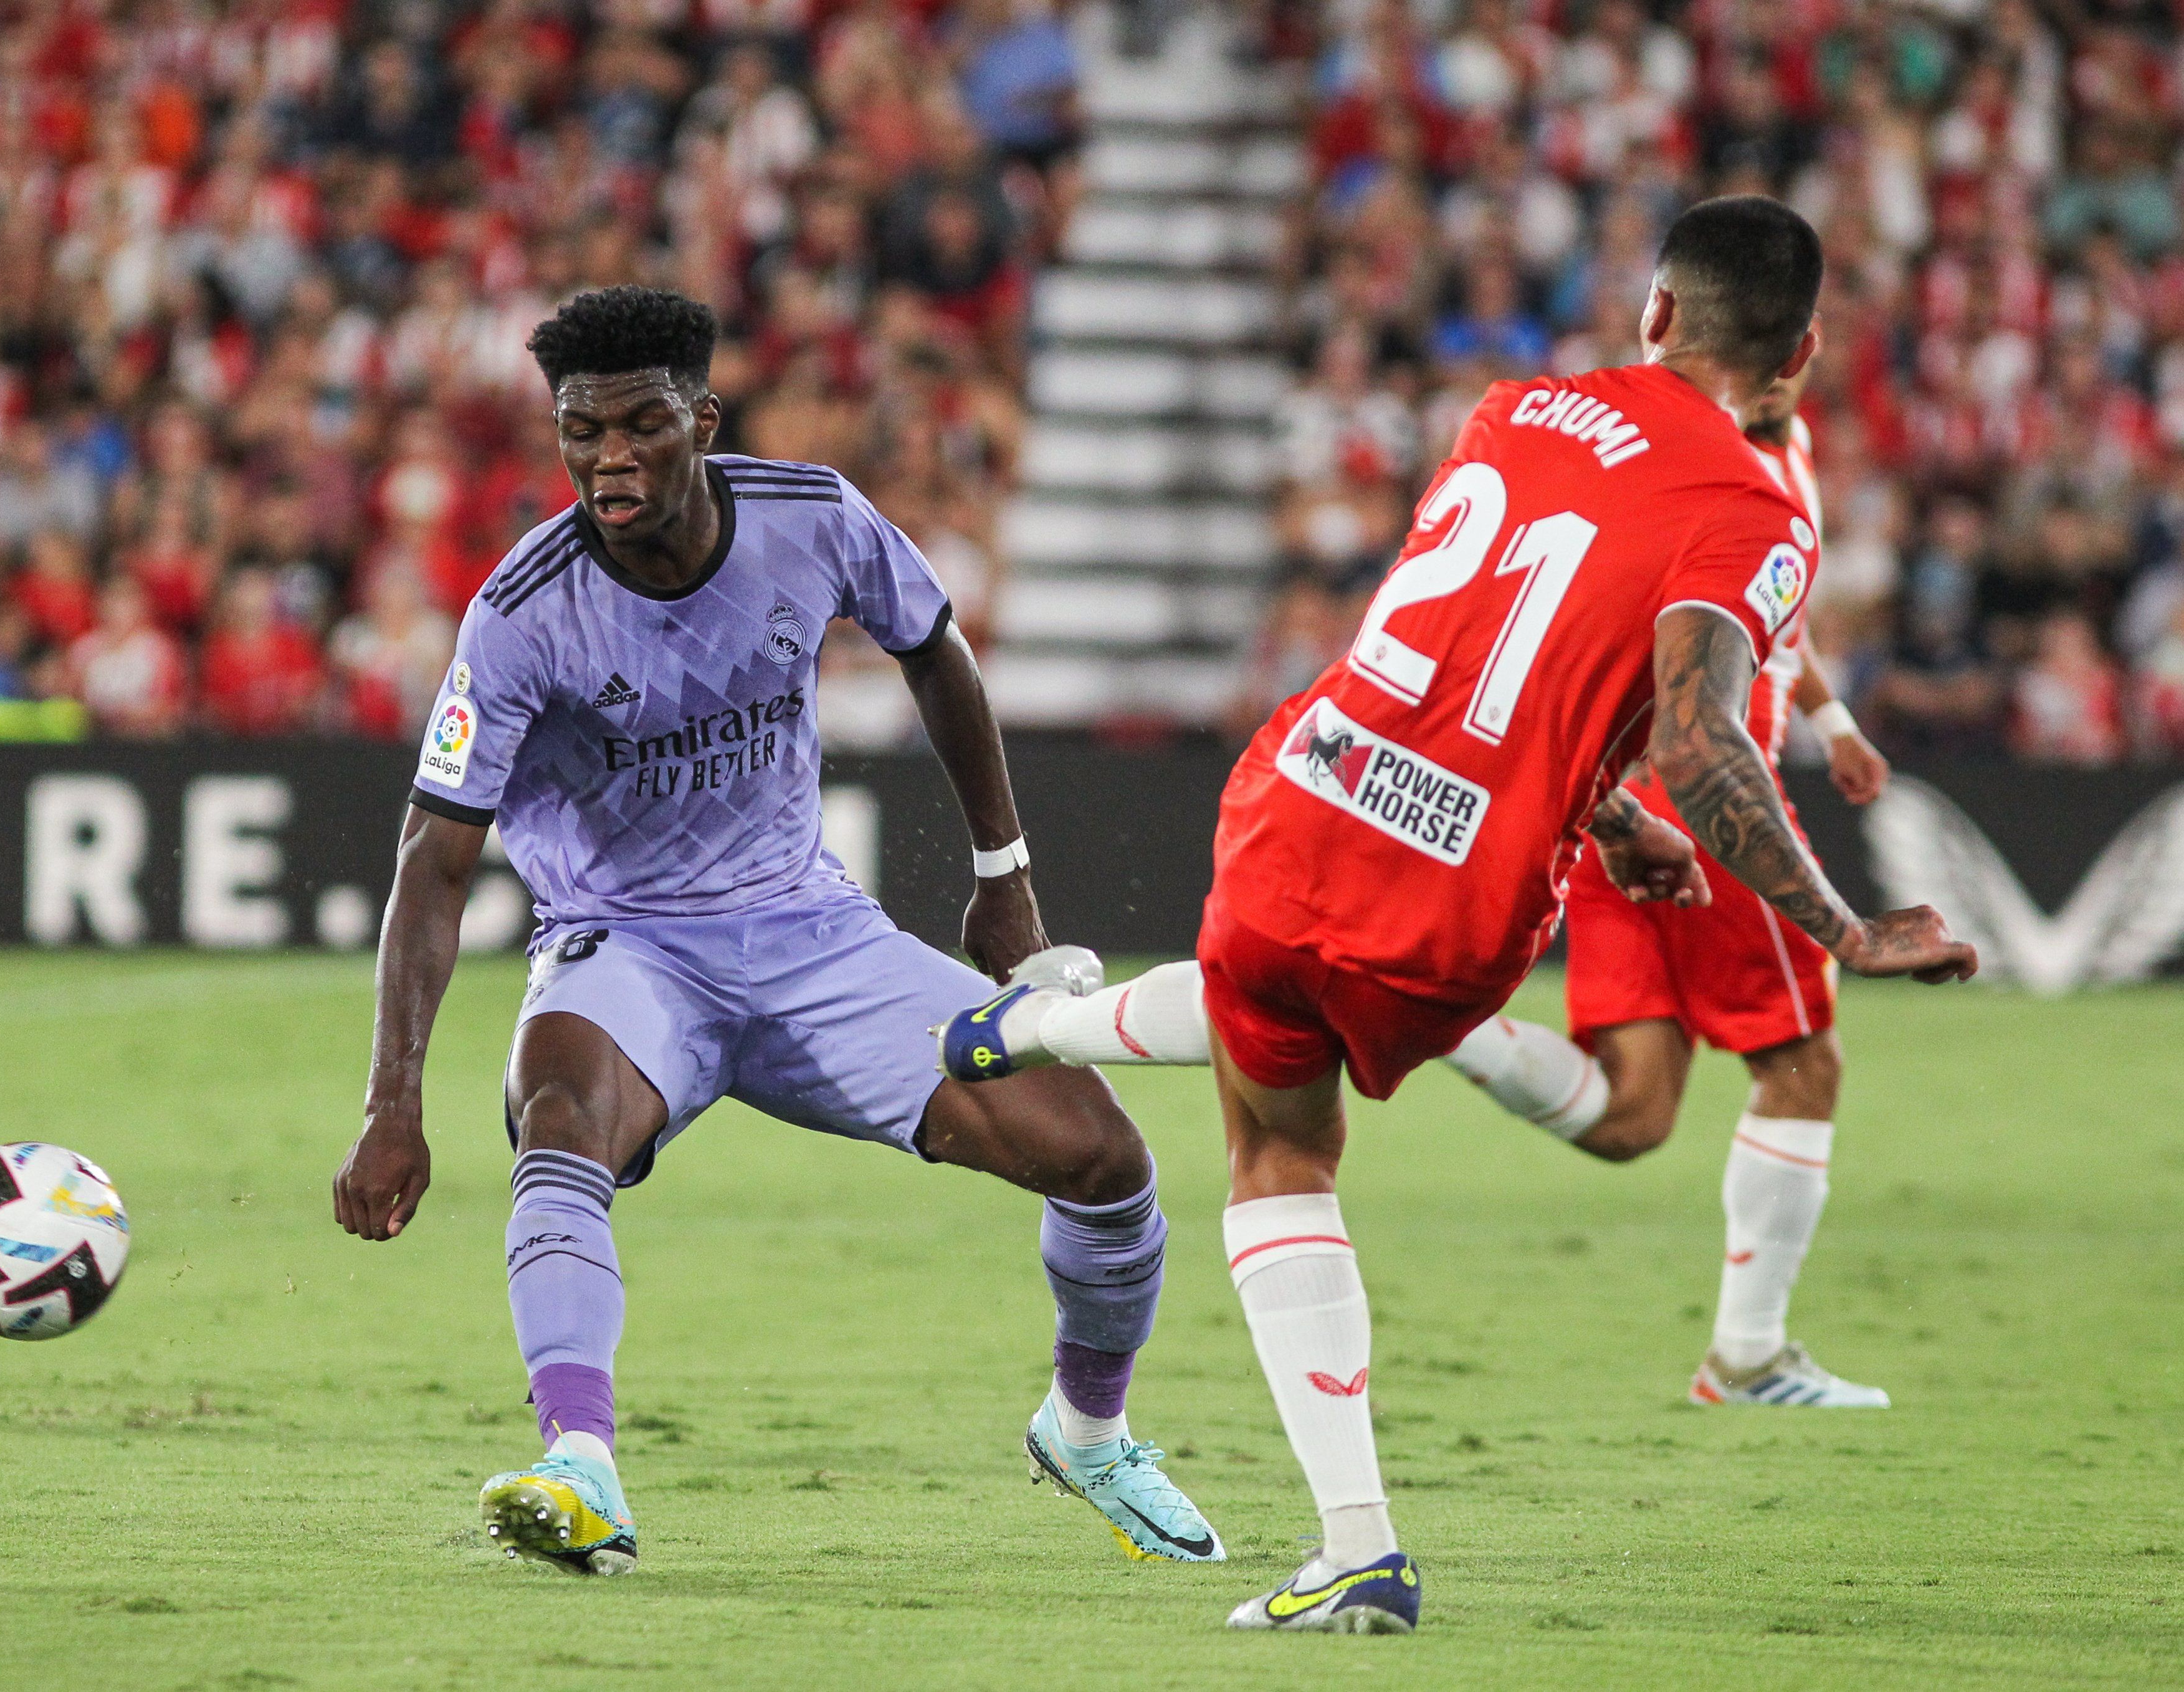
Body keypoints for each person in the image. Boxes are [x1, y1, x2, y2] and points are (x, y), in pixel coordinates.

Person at [939, 199, 1976, 1632]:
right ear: (1799, 355)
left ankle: (1036, 1026)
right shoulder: (1756, 509)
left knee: (1269, 1105)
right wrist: (1840, 922)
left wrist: (1605, 806)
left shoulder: (1519, 405)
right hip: (1454, 893)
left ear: (1657, 313)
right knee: (1295, 1129)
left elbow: (1487, 642)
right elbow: (1699, 736)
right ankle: (1040, 1033)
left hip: (1309, 786)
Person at [328, 285, 1217, 1578]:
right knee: (557, 1113)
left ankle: (1086, 1428)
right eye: (581, 432)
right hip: (625, 946)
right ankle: (579, 1462)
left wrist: (1002, 872)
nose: (609, 458)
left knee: (1106, 1163)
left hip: (812, 935)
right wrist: (391, 1098)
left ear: (703, 417)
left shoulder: (811, 516)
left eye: (640, 425)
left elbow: (936, 649)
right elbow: (435, 855)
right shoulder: (521, 612)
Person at [1428, 359, 1907, 1410]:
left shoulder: (1766, 461)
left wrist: (1834, 723)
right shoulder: (1713, 471)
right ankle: (1748, 1356)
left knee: (1631, 1114)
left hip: (1620, 803)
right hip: (1705, 809)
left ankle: (1440, 1020)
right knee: (1802, 1066)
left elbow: (1773, 612)